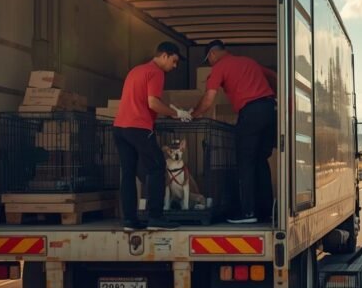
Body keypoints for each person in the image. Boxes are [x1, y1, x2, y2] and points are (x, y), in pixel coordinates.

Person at [191, 40, 277, 224]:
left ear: (212, 55)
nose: (210, 64)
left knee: (245, 162)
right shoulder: (248, 62)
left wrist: (192, 115)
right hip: (270, 110)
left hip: (251, 113)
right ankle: (266, 211)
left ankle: (248, 213)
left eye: (209, 61)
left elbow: (208, 99)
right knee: (260, 161)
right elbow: (275, 76)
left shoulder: (219, 67)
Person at [113, 41, 193, 231]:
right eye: (173, 61)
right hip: (139, 127)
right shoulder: (156, 72)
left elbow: (142, 99)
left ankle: (130, 221)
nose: (174, 67)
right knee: (157, 167)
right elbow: (152, 103)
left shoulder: (136, 70)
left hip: (120, 128)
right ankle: (156, 218)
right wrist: (177, 114)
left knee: (128, 173)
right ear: (164, 55)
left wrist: (170, 108)